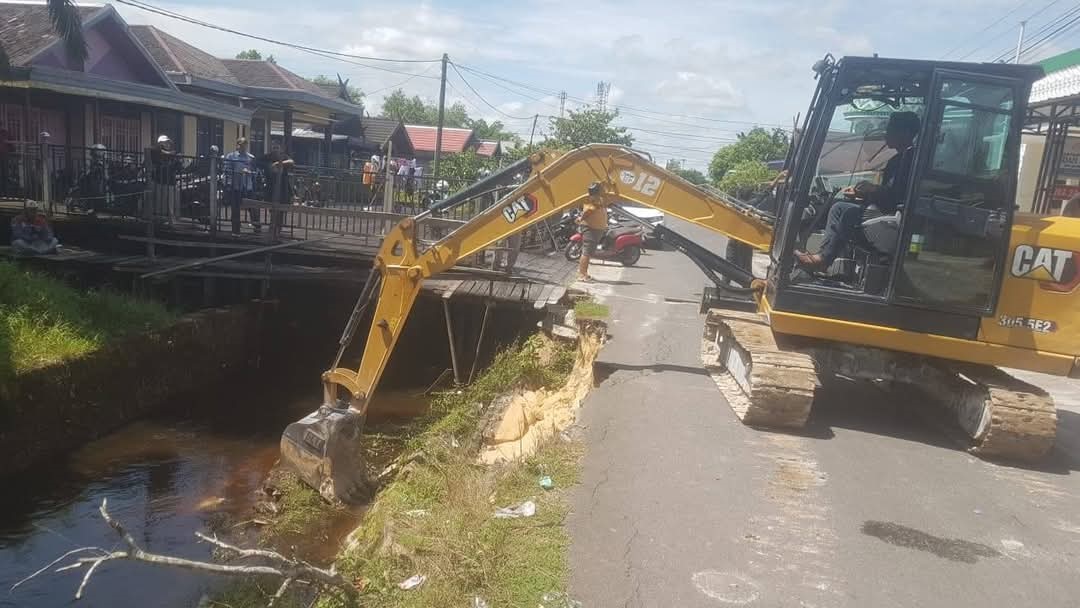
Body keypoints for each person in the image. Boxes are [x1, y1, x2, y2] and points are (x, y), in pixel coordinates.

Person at [796, 111, 920, 269]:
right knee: (835, 204)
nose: (886, 133)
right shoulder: (899, 159)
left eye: (890, 129)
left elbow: (898, 196)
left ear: (905, 133)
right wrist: (862, 194)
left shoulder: (910, 160)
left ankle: (823, 259)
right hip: (883, 210)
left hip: (893, 216)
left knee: (841, 210)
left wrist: (872, 189)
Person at [576, 181, 611, 282]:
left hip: (595, 229)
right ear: (598, 190)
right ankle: (582, 275)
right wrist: (580, 219)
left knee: (588, 252)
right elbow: (588, 211)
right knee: (587, 252)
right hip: (591, 229)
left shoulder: (598, 198)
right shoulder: (592, 199)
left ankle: (584, 273)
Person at [224, 137, 259, 234]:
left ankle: (257, 228)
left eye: (245, 144)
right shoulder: (231, 156)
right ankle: (235, 230)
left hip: (248, 185)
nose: (243, 146)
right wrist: (238, 172)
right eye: (241, 144)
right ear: (237, 145)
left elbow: (255, 171)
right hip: (236, 186)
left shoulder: (251, 157)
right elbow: (227, 170)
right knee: (235, 209)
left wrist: (250, 172)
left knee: (253, 207)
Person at [259, 142, 295, 236]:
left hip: (283, 187)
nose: (275, 149)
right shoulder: (267, 157)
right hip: (271, 186)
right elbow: (257, 161)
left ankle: (278, 230)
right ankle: (273, 228)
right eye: (274, 147)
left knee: (281, 209)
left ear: (280, 149)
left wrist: (278, 163)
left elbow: (291, 162)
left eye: (277, 147)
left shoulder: (284, 156)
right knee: (272, 209)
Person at [149, 135, 181, 225]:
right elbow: (155, 154)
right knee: (159, 202)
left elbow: (177, 167)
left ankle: (171, 220)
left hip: (170, 181)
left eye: (168, 142)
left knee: (170, 203)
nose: (168, 144)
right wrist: (170, 155)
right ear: (160, 143)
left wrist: (176, 160)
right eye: (165, 142)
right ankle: (159, 219)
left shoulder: (172, 154)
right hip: (159, 181)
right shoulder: (156, 152)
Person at [0, 129, 13, 199]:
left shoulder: (5, 133)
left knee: (5, 174)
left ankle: (5, 193)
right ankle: (5, 193)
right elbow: (11, 144)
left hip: (4, 155)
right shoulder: (5, 133)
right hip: (4, 155)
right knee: (4, 175)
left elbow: (11, 144)